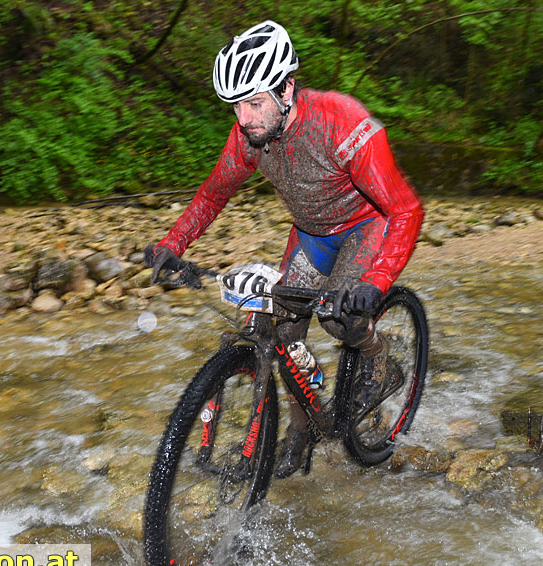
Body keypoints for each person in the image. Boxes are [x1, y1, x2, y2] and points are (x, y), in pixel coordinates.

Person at [146, 20, 424, 478]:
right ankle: (300, 433)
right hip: (312, 234)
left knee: (340, 319)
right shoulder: (249, 136)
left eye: (254, 103)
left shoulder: (343, 121)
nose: (244, 118)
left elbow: (405, 210)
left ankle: (380, 362)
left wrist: (376, 283)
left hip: (365, 226)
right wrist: (171, 244)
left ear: (286, 88)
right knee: (281, 334)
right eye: (235, 105)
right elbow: (214, 193)